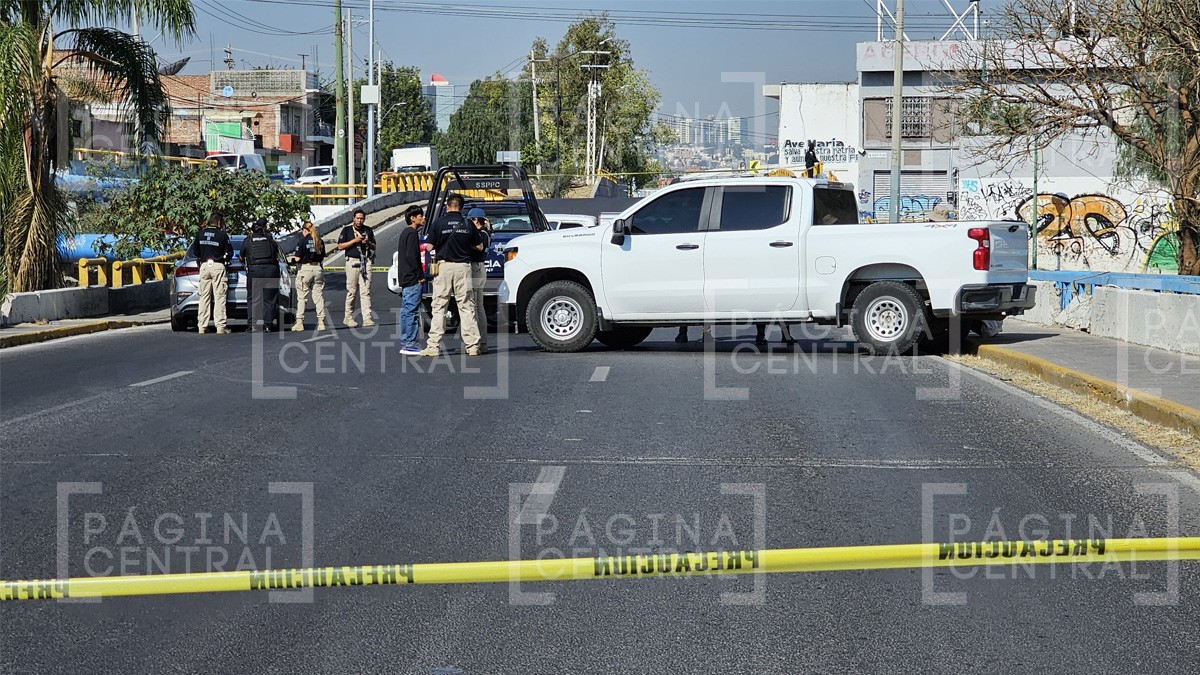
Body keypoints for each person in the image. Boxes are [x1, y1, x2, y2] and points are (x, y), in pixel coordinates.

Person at [420, 193, 483, 356]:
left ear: (447, 206)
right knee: (467, 306)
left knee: (439, 306)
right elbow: (480, 246)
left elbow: (428, 247)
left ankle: (433, 346)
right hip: (463, 267)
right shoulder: (468, 224)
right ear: (461, 207)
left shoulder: (439, 223)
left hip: (444, 267)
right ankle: (473, 346)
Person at [192, 212, 234, 334]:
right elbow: (230, 253)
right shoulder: (222, 235)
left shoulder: (200, 234)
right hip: (218, 266)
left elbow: (195, 252)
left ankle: (202, 326)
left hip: (204, 266)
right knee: (219, 296)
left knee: (204, 297)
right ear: (219, 222)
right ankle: (220, 326)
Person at [337, 208, 376, 328]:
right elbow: (340, 246)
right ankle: (348, 317)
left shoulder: (368, 230)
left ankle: (367, 318)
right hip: (352, 262)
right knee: (352, 291)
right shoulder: (347, 230)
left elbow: (374, 246)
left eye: (361, 218)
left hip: (365, 261)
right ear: (353, 218)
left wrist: (367, 242)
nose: (359, 220)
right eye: (357, 218)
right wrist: (354, 241)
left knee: (365, 292)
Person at [241, 218, 281, 332]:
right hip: (270, 270)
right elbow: (276, 253)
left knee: (254, 298)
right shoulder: (269, 239)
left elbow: (241, 256)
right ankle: (268, 325)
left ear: (252, 231)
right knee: (269, 299)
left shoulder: (248, 240)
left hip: (255, 271)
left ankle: (253, 325)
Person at [396, 205, 426, 355]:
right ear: (412, 218)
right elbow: (413, 256)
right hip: (412, 278)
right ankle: (410, 343)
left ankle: (406, 341)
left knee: (406, 311)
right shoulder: (412, 233)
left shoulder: (405, 233)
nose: (423, 218)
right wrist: (420, 276)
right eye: (420, 215)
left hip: (405, 277)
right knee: (412, 312)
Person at [290, 221, 329, 331]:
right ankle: (321, 322)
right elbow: (322, 256)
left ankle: (300, 322)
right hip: (318, 269)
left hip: (305, 269)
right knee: (318, 296)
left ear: (304, 230)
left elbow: (297, 258)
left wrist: (293, 261)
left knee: (302, 297)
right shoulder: (319, 241)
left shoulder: (302, 241)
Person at [466, 207, 492, 353]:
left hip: (475, 269)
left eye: (470, 221)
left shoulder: (480, 235)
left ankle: (478, 342)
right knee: (478, 307)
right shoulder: (486, 233)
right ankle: (482, 342)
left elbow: (477, 248)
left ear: (476, 220)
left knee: (474, 307)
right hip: (480, 269)